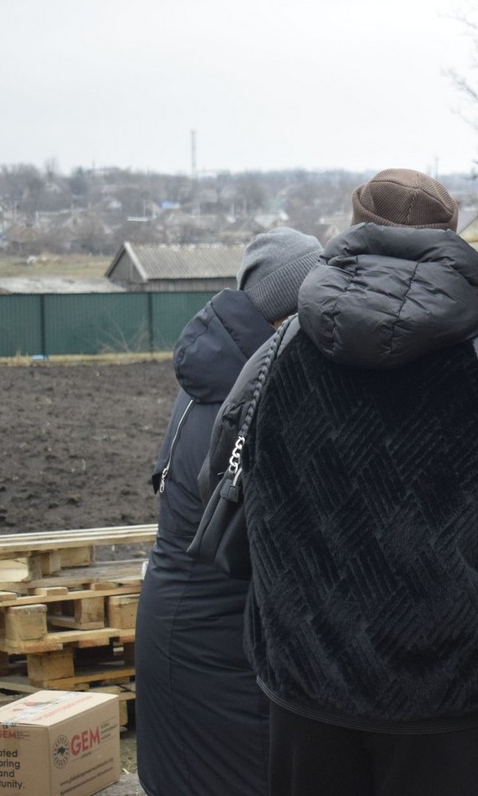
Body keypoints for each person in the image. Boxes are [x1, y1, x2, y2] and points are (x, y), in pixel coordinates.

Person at [200, 168, 478, 796]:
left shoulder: (282, 346)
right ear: (449, 239)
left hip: (305, 673)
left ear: (354, 230)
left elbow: (222, 475)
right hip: (440, 689)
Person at [136, 227, 323, 796]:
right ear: (284, 313)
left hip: (188, 621)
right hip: (213, 644)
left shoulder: (223, 369)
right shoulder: (249, 395)